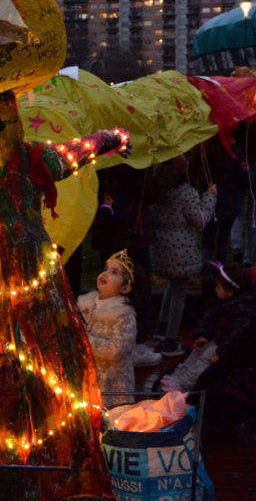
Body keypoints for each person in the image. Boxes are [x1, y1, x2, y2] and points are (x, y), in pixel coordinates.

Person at [90, 164, 160, 368]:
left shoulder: (102, 158)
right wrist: (172, 170)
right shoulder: (136, 159)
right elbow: (150, 192)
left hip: (108, 233)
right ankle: (135, 347)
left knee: (111, 290)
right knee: (138, 288)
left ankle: (109, 343)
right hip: (131, 234)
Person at [147, 153, 217, 357]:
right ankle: (170, 341)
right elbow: (200, 220)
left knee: (172, 285)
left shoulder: (157, 190)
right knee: (179, 294)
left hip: (162, 246)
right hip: (182, 249)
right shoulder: (186, 192)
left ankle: (161, 329)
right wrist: (210, 196)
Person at [158, 262, 256, 393]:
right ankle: (180, 375)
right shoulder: (224, 303)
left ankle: (187, 382)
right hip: (221, 340)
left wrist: (221, 354)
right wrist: (203, 334)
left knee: (208, 353)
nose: (215, 289)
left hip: (232, 348)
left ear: (229, 292)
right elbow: (209, 318)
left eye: (218, 287)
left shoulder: (245, 311)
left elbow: (237, 336)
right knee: (200, 348)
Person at [77, 249, 138, 407]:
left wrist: (85, 341)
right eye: (105, 269)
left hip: (112, 383)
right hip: (88, 378)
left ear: (125, 288)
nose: (105, 274)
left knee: (109, 418)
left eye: (114, 272)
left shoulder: (123, 315)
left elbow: (116, 349)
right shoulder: (86, 306)